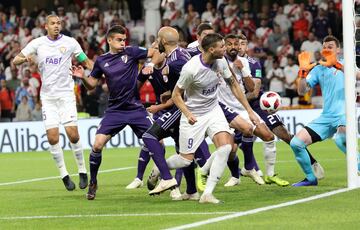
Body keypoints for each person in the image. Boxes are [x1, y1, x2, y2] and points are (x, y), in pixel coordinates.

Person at [71, 25, 161, 200]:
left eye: (124, 39)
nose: (122, 42)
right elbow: (92, 86)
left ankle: (159, 176)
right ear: (109, 40)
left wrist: (150, 64)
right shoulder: (101, 61)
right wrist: (82, 77)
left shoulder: (132, 52)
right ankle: (93, 182)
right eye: (119, 40)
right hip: (115, 110)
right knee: (97, 145)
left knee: (159, 143)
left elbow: (155, 52)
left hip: (135, 108)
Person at [172, 33, 260, 203]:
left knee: (226, 148)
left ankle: (207, 194)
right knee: (184, 160)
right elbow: (176, 95)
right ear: (211, 49)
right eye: (222, 46)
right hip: (194, 115)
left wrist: (249, 111)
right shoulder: (191, 68)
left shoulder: (221, 61)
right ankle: (161, 168)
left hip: (213, 110)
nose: (225, 48)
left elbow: (234, 84)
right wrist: (188, 114)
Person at [13, 15, 92, 191]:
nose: (56, 26)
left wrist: (101, 69)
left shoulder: (71, 42)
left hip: (65, 96)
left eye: (58, 23)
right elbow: (15, 60)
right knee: (52, 137)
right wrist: (26, 59)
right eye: (53, 23)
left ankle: (82, 170)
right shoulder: (37, 43)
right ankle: (64, 175)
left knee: (73, 135)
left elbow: (85, 61)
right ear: (45, 26)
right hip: (48, 98)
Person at [236, 34, 324, 183]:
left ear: (247, 46)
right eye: (237, 44)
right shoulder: (224, 63)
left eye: (243, 43)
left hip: (258, 105)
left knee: (284, 134)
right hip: (237, 106)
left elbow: (255, 92)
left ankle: (312, 161)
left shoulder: (253, 63)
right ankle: (249, 169)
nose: (240, 47)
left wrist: (236, 99)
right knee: (235, 141)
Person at [141, 27, 211, 200]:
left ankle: (165, 176)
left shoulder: (175, 63)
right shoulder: (182, 54)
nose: (156, 44)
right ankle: (192, 192)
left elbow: (189, 86)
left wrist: (171, 98)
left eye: (158, 40)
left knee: (149, 137)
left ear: (163, 42)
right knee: (183, 150)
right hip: (185, 105)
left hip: (182, 108)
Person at [290, 35, 357, 186]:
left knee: (341, 139)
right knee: (296, 143)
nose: (326, 49)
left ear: (338, 50)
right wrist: (302, 72)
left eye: (330, 47)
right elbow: (302, 91)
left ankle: (358, 168)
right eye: (324, 47)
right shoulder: (319, 69)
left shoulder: (346, 64)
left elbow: (357, 76)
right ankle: (311, 178)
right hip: (326, 116)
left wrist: (337, 65)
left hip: (345, 113)